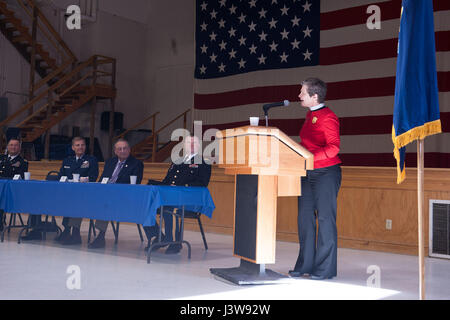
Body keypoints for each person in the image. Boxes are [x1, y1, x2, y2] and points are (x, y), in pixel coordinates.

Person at [289, 78, 342, 280]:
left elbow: (334, 148)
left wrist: (309, 158)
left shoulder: (328, 117)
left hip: (326, 173)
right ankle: (305, 265)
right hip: (307, 173)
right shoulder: (309, 115)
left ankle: (324, 269)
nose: (299, 96)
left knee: (325, 219)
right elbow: (308, 144)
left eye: (302, 92)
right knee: (304, 218)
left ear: (314, 96)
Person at [144, 135, 211, 254]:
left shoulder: (203, 162)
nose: (190, 145)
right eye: (188, 143)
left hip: (189, 199)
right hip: (169, 197)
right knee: (144, 206)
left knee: (170, 208)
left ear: (199, 146)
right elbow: (167, 182)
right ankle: (158, 236)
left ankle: (175, 242)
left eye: (194, 143)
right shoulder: (176, 161)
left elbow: (202, 183)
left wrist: (181, 189)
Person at [88, 139, 143, 249]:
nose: (122, 151)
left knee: (106, 203)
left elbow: (135, 183)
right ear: (115, 151)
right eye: (119, 149)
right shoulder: (110, 162)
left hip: (123, 197)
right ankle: (72, 231)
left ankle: (101, 236)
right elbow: (102, 179)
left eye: (125, 148)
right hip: (106, 193)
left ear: (129, 150)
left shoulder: (136, 164)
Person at [55, 137, 99, 245]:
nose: (80, 147)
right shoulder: (67, 160)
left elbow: (93, 177)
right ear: (73, 147)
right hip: (68, 192)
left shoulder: (91, 160)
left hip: (85, 193)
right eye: (77, 145)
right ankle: (66, 230)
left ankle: (75, 233)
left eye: (82, 145)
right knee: (67, 200)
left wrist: (85, 179)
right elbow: (61, 176)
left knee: (75, 201)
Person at [0, 138, 28, 232]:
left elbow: (20, 178)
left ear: (19, 148)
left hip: (11, 192)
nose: (13, 147)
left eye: (16, 145)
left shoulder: (23, 162)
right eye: (11, 145)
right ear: (7, 147)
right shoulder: (1, 158)